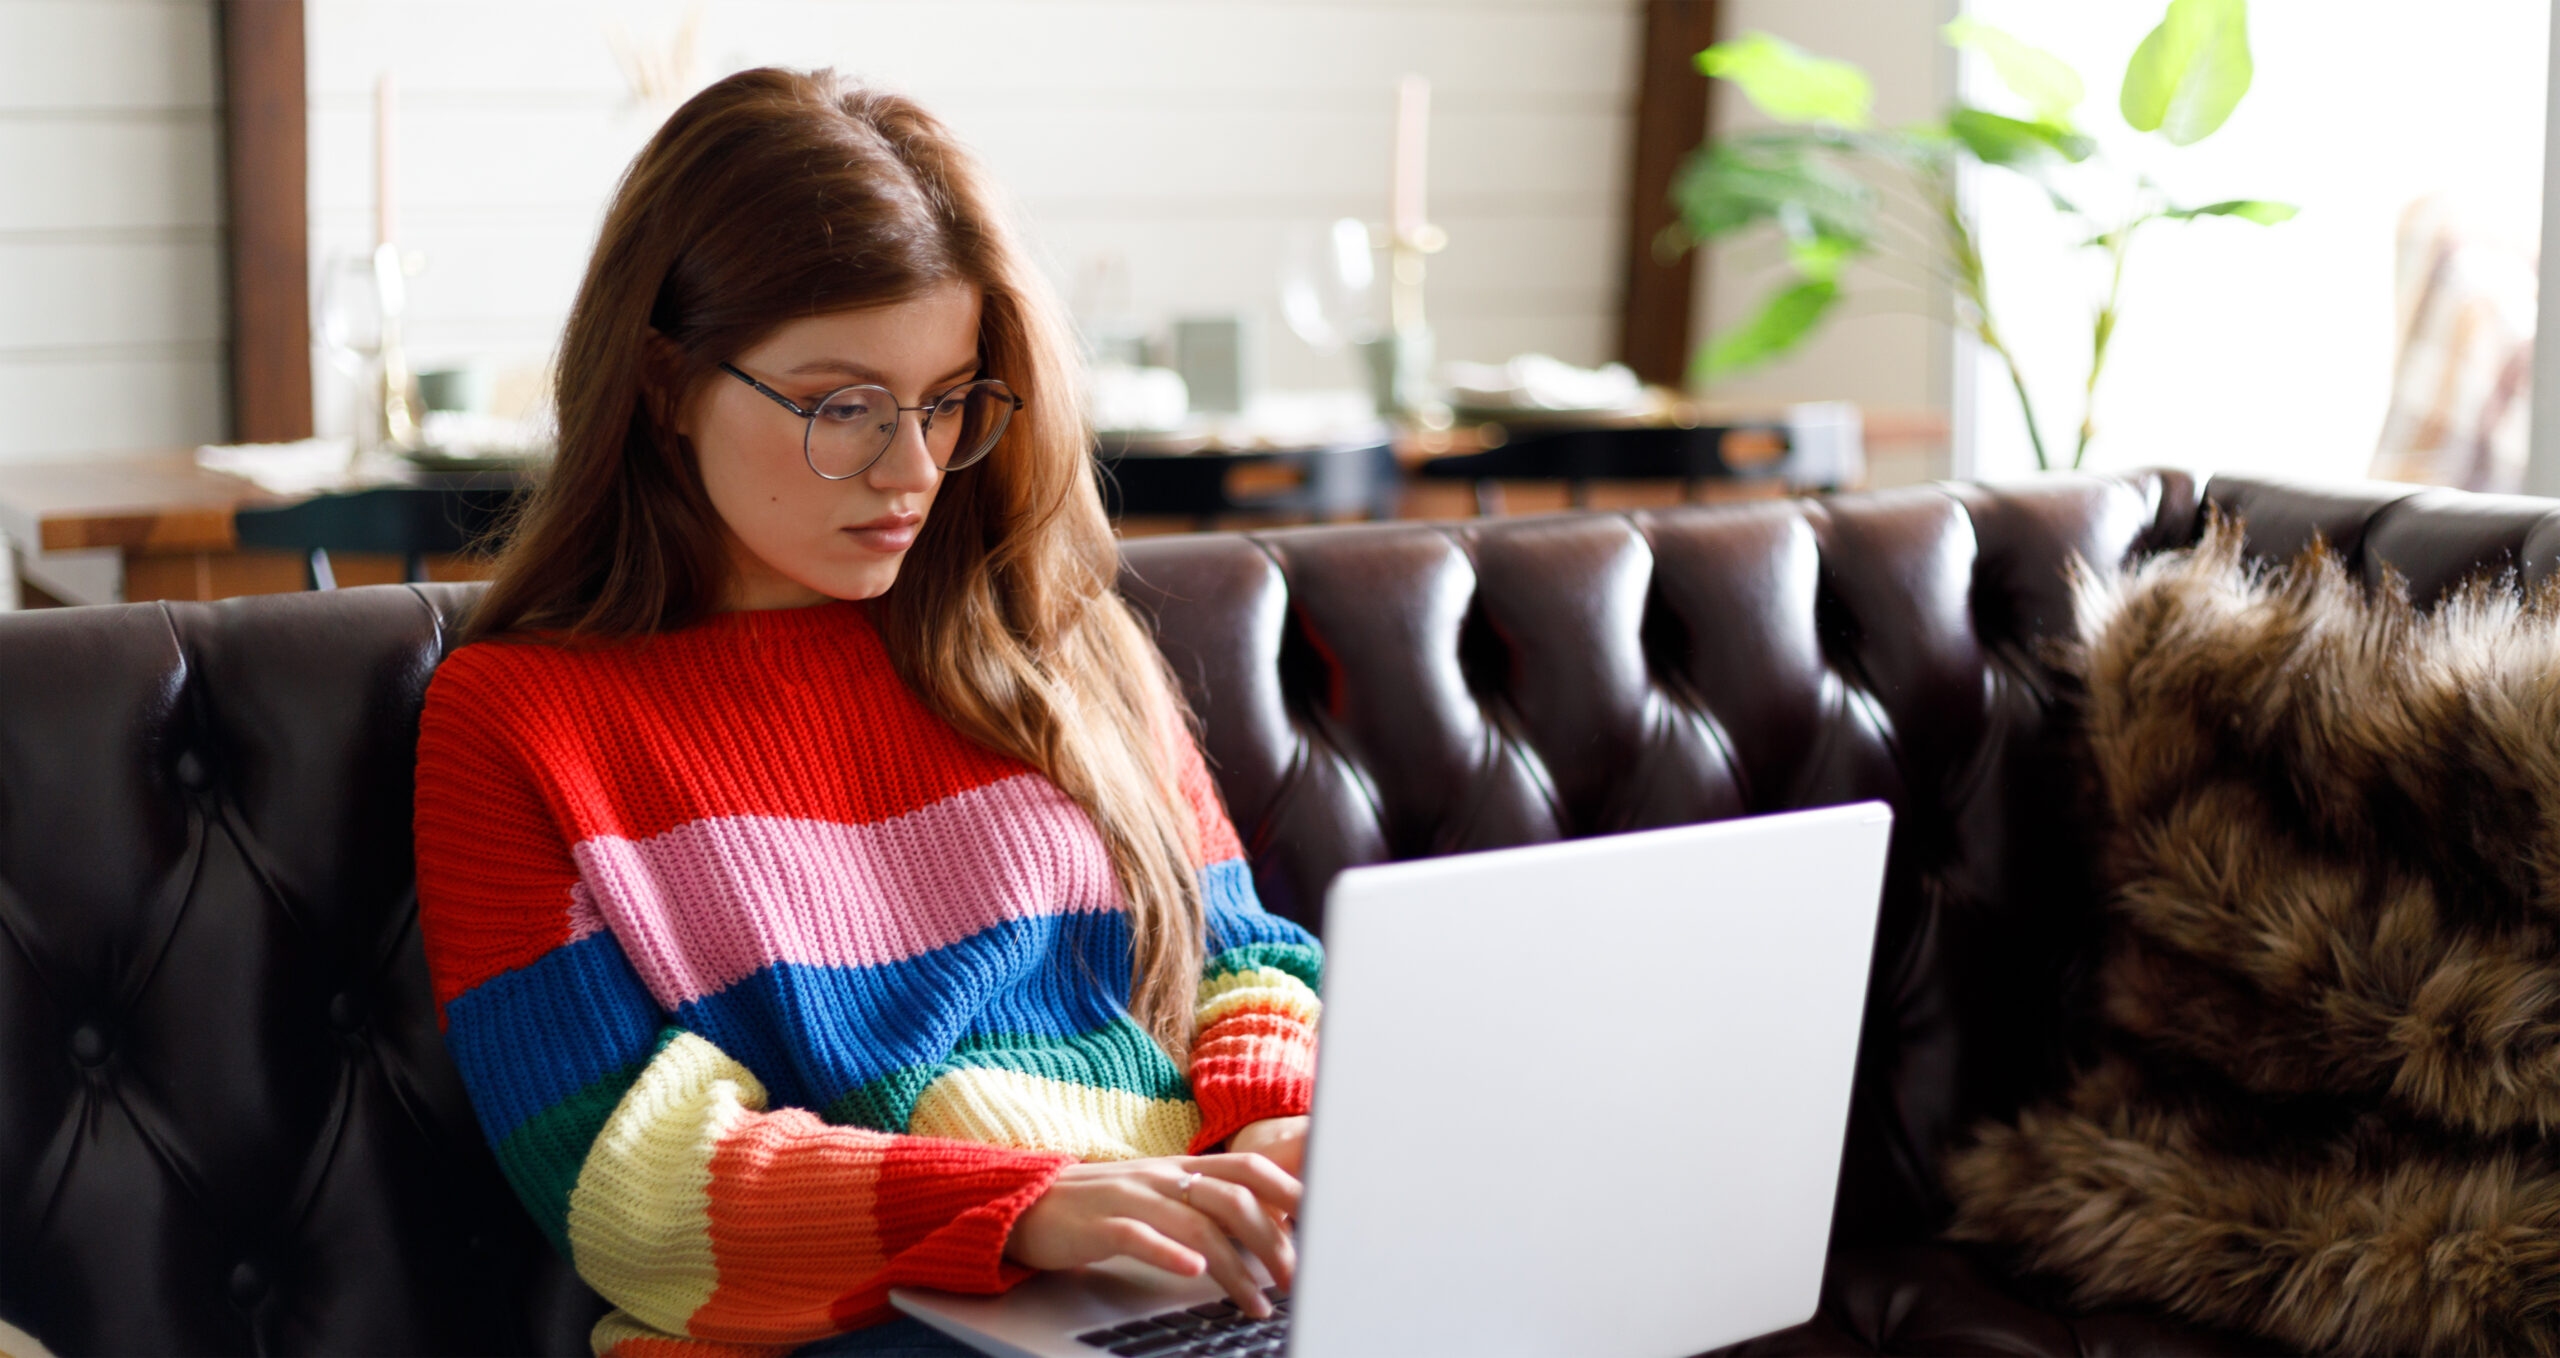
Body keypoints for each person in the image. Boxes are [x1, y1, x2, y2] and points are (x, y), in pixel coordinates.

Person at [413, 67, 1322, 1358]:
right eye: (842, 407)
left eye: (948, 401)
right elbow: (630, 1186)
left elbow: (1245, 958)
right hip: (854, 1327)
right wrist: (1028, 1207)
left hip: (1193, 1273)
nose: (911, 470)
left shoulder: (1060, 640)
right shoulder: (517, 722)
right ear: (664, 382)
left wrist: (1284, 1132)